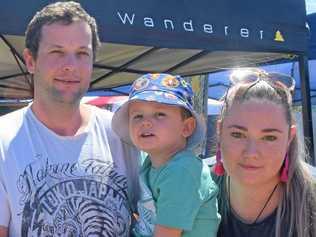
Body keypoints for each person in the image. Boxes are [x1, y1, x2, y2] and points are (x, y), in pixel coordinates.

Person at [0, 2, 139, 237]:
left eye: (82, 54)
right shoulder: (4, 140)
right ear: (30, 61)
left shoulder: (122, 133)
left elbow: (150, 215)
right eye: (57, 52)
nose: (70, 66)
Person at [112, 73, 220, 237]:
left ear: (187, 128)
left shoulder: (182, 171)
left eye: (160, 114)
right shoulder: (150, 164)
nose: (145, 122)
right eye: (138, 116)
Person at [212, 68, 316, 237]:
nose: (251, 152)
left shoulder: (311, 199)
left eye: (269, 137)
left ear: (290, 137)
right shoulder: (193, 186)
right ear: (220, 131)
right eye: (238, 134)